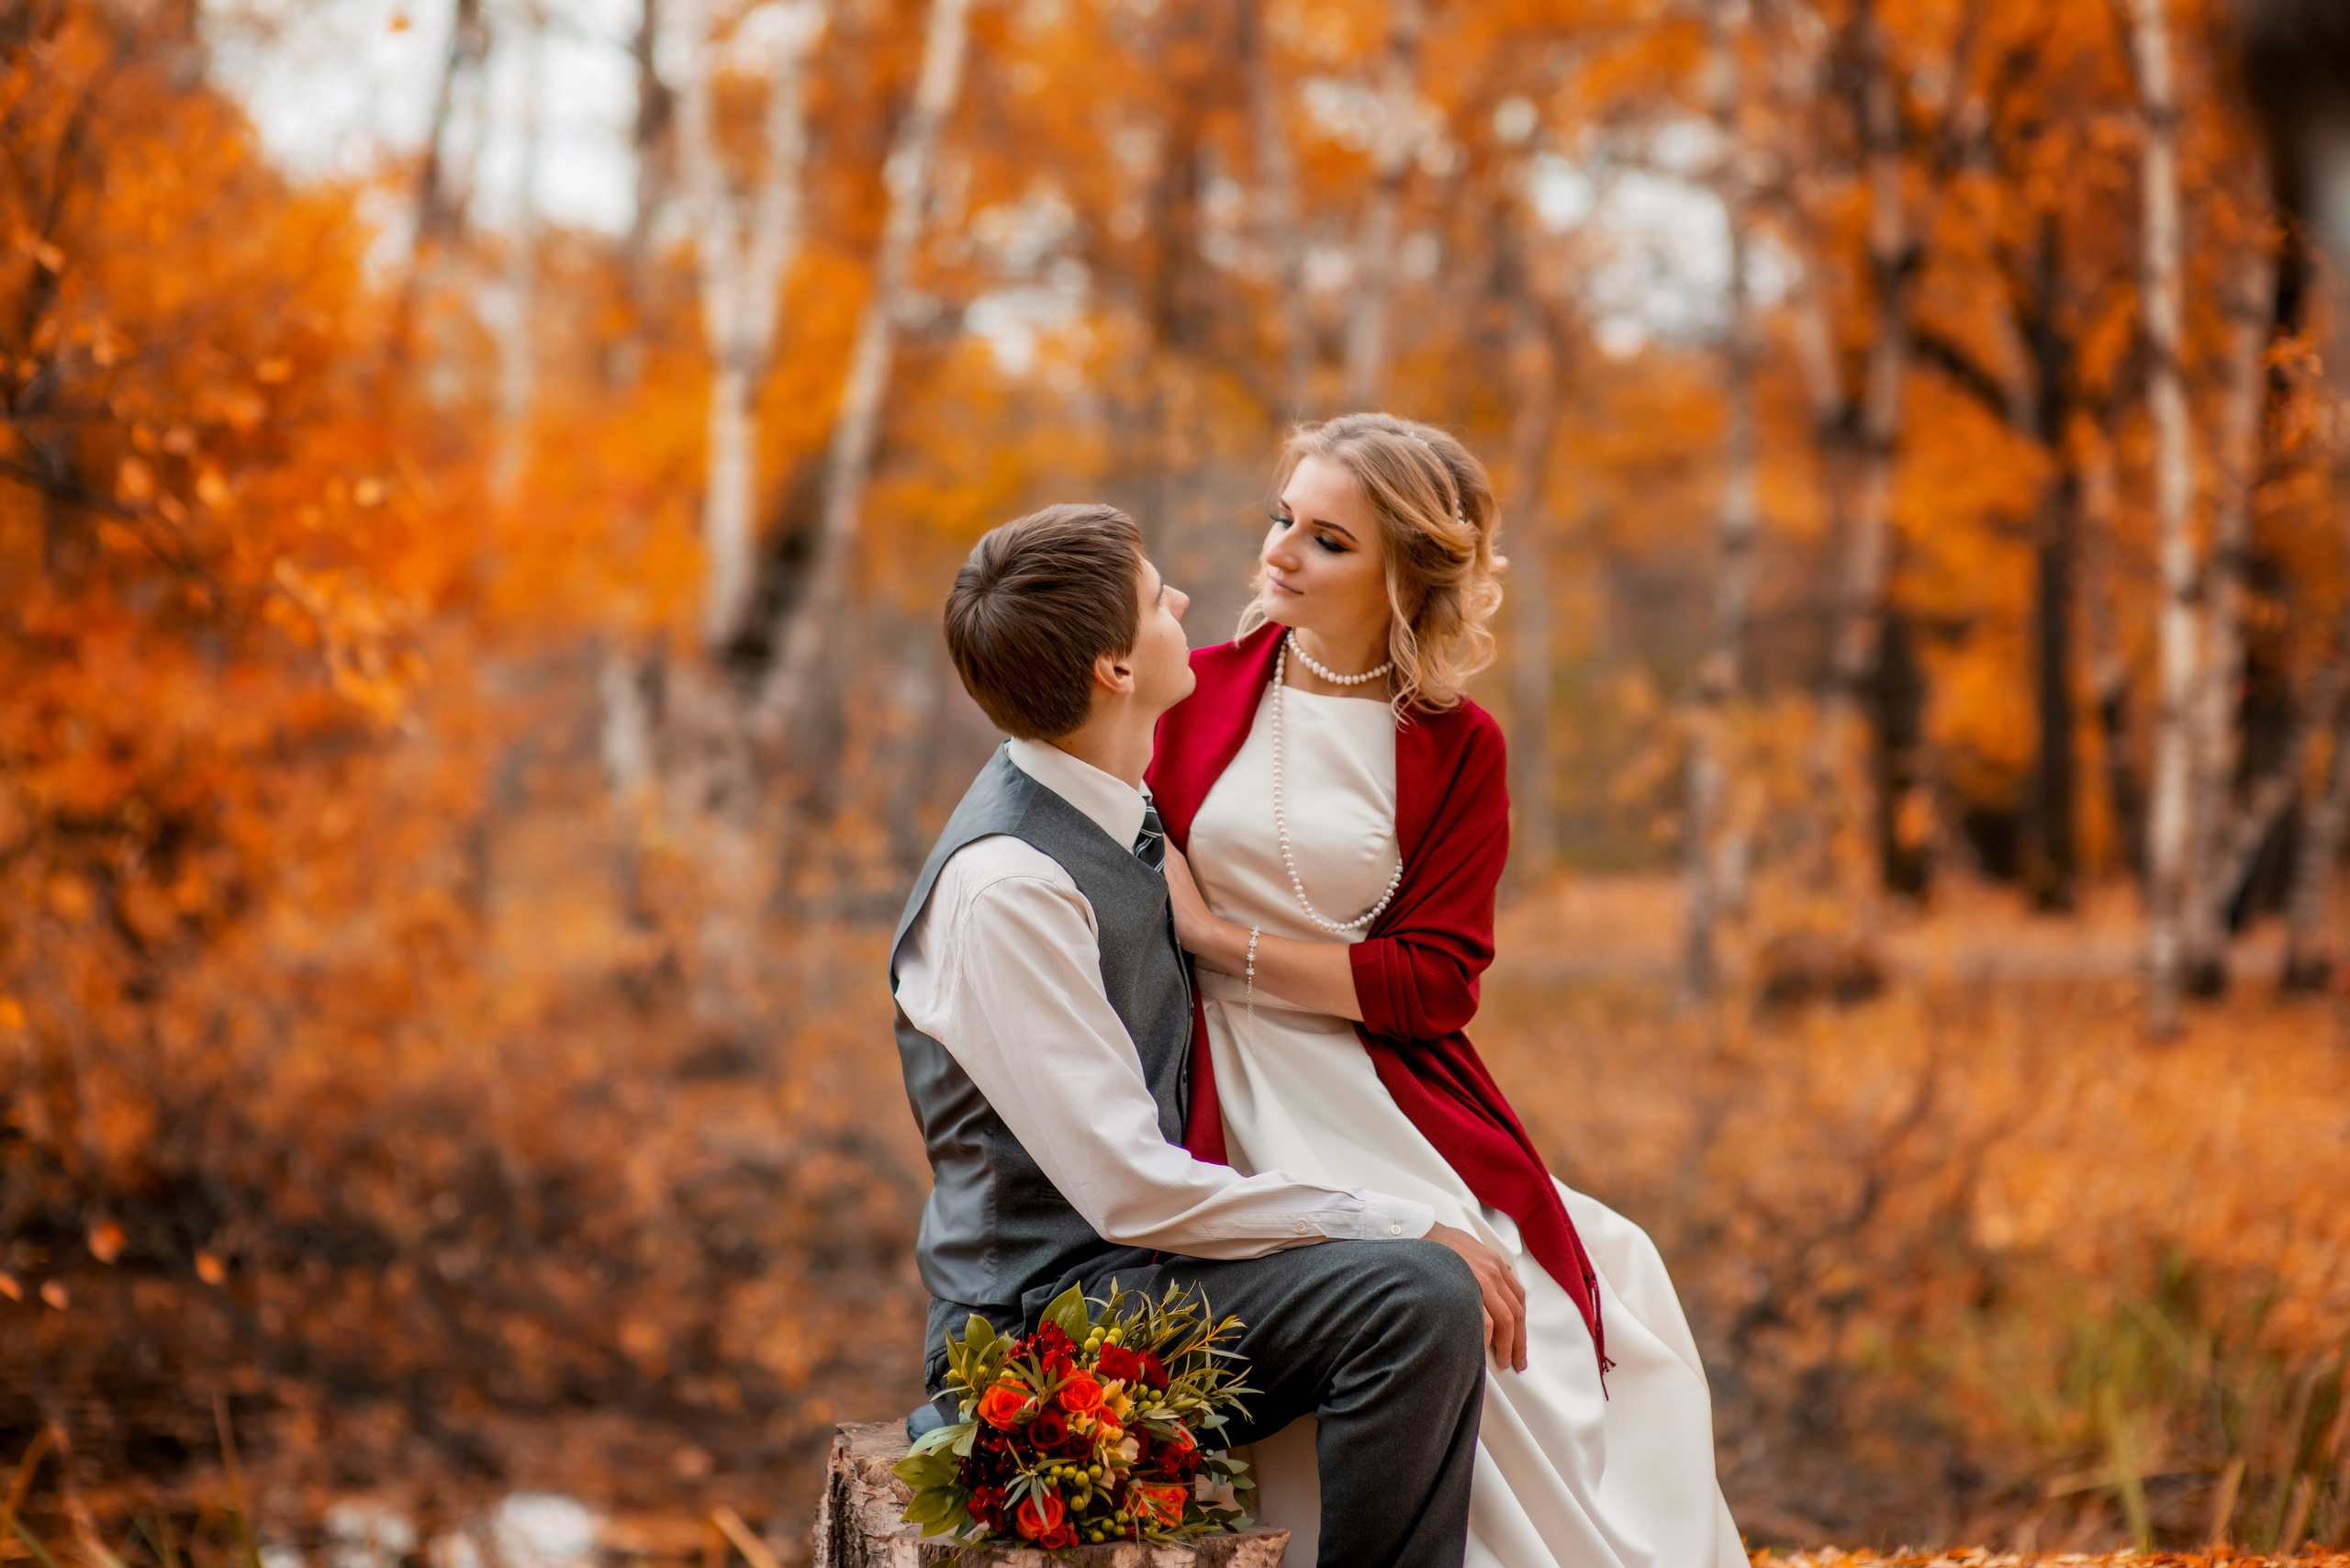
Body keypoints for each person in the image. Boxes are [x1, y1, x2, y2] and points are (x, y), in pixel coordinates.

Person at [1148, 413, 1746, 1568]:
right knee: (1404, 1307)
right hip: (1217, 1085)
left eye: (1328, 541)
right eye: (1284, 518)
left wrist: (1215, 938)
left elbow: (1432, 983)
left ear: (1406, 575)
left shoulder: (1457, 745)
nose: (1278, 553)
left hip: (1378, 1082)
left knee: (1577, 1295)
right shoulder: (1190, 690)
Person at [890, 501, 1531, 1568]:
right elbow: (1128, 1187)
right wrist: (1401, 1219)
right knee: (1417, 1297)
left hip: (1134, 1274)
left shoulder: (1110, 795)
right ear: (1114, 670)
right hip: (1045, 1331)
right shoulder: (1007, 887)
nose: (1183, 603)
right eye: (1153, 599)